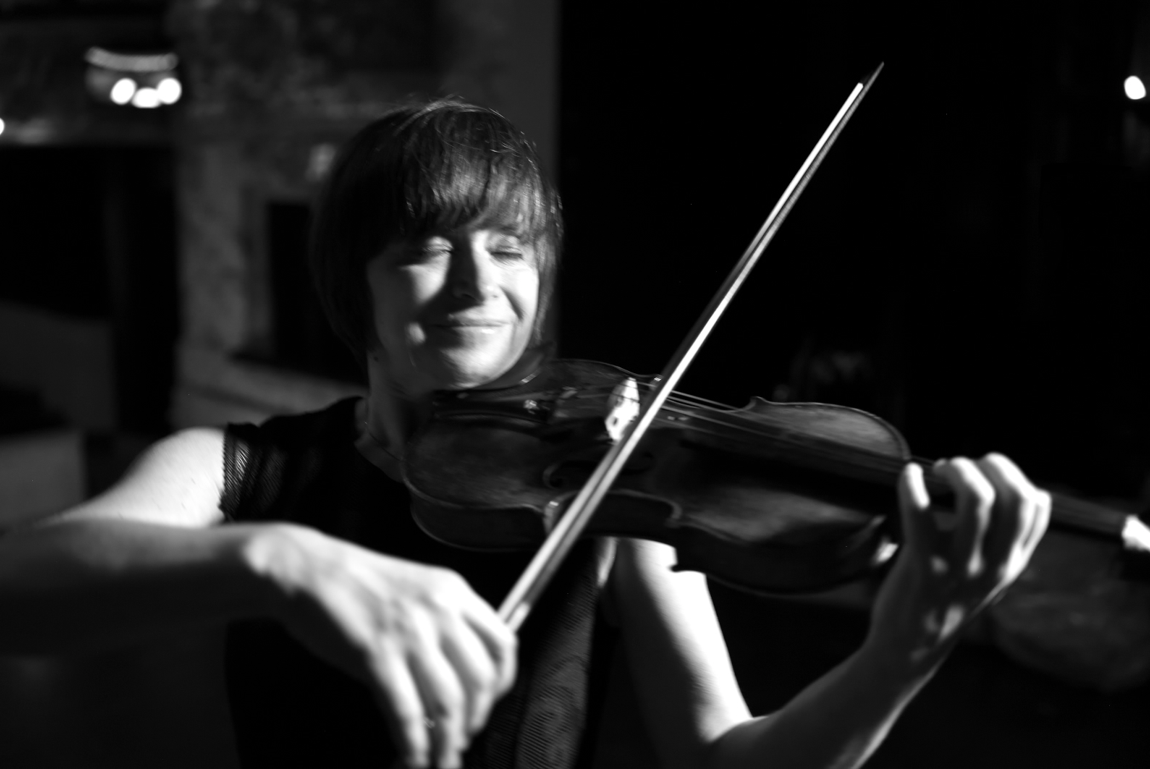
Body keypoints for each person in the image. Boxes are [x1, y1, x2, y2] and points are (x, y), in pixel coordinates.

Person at [0, 99, 1051, 769]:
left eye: (510, 246)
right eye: (427, 245)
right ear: (350, 283)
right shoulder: (241, 471)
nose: (479, 282)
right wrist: (275, 559)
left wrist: (904, 647)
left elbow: (730, 759)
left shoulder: (612, 485)